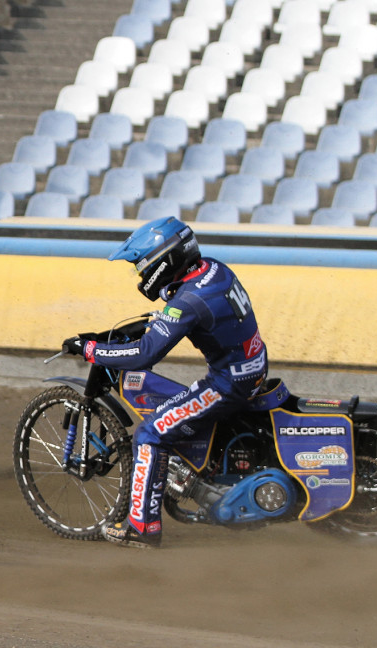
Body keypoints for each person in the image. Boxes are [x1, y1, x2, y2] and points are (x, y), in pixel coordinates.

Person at [62, 217, 268, 549]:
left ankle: (142, 528)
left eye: (141, 265)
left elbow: (145, 354)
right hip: (251, 367)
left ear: (165, 259)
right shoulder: (213, 270)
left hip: (230, 383)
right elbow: (186, 313)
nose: (140, 273)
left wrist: (91, 350)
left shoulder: (188, 302)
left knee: (150, 432)